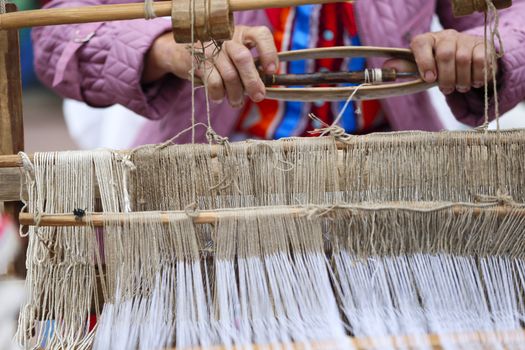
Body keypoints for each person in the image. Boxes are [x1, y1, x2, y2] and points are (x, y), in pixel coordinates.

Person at [32, 0, 525, 147]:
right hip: (211, 192)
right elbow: (59, 29)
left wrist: (485, 49)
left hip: (393, 188)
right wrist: (165, 49)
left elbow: (508, 16)